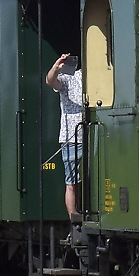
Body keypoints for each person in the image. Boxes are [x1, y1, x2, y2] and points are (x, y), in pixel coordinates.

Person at [47, 52, 83, 223]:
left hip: (92, 135)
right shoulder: (69, 78)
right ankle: (74, 219)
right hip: (71, 137)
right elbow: (50, 81)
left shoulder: (99, 77)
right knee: (72, 183)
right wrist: (56, 66)